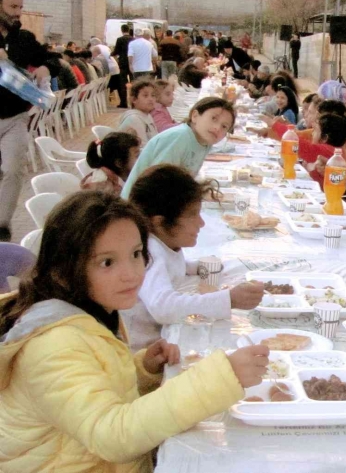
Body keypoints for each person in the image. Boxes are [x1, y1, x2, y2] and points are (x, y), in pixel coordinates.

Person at [0, 191, 270, 472]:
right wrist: (222, 376)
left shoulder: (88, 310)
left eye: (136, 254)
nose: (131, 273)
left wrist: (141, 369)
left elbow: (88, 392)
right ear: (62, 270)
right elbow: (113, 436)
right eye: (107, 262)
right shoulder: (52, 344)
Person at [125, 165, 265, 351]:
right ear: (159, 222)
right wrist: (228, 299)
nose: (201, 223)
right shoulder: (149, 252)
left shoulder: (161, 242)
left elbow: (172, 267)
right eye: (192, 215)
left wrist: (196, 267)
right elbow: (163, 307)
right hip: (143, 351)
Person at [0, 0, 51, 242]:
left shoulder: (24, 38)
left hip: (14, 117)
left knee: (13, 168)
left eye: (21, 7)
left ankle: (2, 225)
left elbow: (47, 58)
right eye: (13, 7)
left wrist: (43, 67)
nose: (18, 12)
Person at [121, 97, 235, 199]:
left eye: (224, 126)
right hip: (138, 205)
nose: (217, 128)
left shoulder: (205, 141)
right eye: (213, 118)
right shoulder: (179, 137)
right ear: (195, 116)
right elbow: (157, 184)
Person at [118, 79, 158, 147]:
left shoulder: (147, 116)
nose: (151, 99)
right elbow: (142, 148)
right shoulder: (134, 119)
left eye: (153, 95)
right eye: (145, 95)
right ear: (134, 99)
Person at [111, 23, 133, 108]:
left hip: (123, 63)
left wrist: (111, 54)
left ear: (122, 30)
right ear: (128, 30)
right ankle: (133, 101)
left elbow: (116, 51)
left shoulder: (120, 39)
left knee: (123, 83)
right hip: (131, 63)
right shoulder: (132, 39)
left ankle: (124, 102)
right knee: (132, 82)